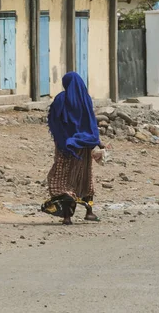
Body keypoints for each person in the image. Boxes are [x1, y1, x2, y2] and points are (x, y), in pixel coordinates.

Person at [46, 72, 105, 225]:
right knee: (84, 178)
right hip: (84, 147)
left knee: (63, 179)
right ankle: (89, 212)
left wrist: (63, 139)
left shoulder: (60, 99)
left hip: (66, 147)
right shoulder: (85, 100)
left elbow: (53, 121)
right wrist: (97, 141)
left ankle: (67, 217)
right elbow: (91, 124)